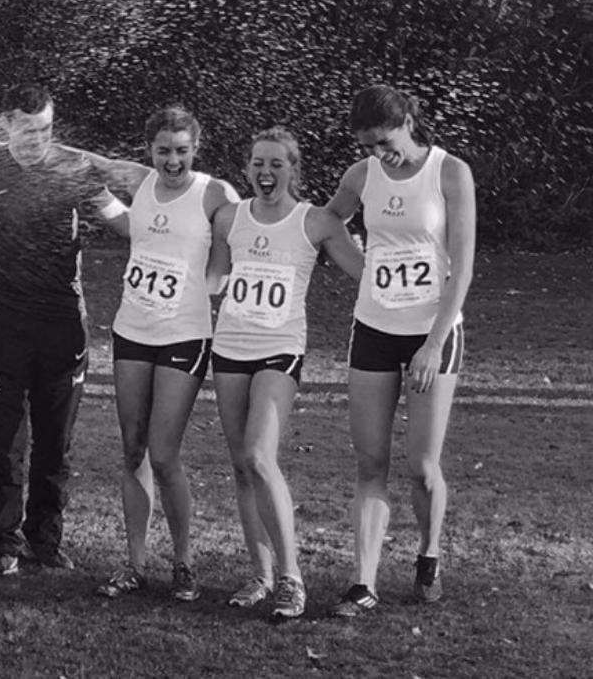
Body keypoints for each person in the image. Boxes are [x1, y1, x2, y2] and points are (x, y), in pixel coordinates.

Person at [0, 84, 129, 583]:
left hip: (62, 323)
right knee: (3, 441)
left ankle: (45, 539)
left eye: (46, 129)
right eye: (27, 129)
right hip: (2, 318)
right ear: (6, 125)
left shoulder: (75, 167)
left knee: (56, 441)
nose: (37, 139)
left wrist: (180, 220)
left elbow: (123, 223)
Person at [323, 85, 476, 616]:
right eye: (368, 145)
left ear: (408, 121)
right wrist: (362, 272)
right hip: (373, 328)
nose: (378, 153)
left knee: (421, 466)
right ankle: (363, 583)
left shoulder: (450, 172)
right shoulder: (361, 176)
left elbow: (464, 265)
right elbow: (326, 224)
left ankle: (428, 555)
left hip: (433, 330)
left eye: (384, 141)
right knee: (370, 461)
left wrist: (433, 344)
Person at [210, 126, 365, 620]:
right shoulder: (229, 218)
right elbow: (212, 279)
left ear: (293, 171)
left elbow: (365, 274)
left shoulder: (314, 222)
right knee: (241, 464)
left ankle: (291, 578)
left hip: (280, 351)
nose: (266, 172)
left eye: (277, 164)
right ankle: (259, 575)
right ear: (247, 168)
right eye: (258, 163)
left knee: (259, 455)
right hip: (229, 347)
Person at [89, 106, 237, 603]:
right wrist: (97, 195)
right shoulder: (141, 181)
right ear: (149, 149)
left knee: (164, 452)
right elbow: (132, 229)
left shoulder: (214, 193)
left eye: (181, 150)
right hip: (132, 330)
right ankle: (134, 564)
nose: (172, 161)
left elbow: (232, 250)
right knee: (132, 449)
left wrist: (208, 286)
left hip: (184, 336)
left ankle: (183, 562)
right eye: (162, 151)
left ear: (196, 148)